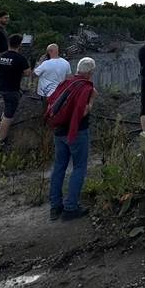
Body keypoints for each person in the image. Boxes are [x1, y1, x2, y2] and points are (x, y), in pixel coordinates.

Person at [49, 57, 97, 221]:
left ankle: (55, 207)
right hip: (76, 132)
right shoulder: (85, 87)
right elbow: (82, 112)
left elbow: (52, 103)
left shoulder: (66, 83)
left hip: (59, 131)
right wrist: (92, 100)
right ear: (90, 72)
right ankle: (70, 208)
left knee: (59, 167)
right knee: (79, 167)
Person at [0, 33, 31, 147]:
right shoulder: (20, 58)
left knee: (6, 105)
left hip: (1, 87)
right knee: (9, 115)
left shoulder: (1, 56)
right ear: (20, 45)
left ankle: (0, 124)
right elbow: (27, 73)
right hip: (12, 90)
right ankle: (2, 141)